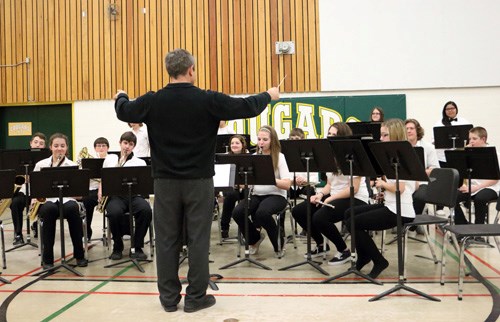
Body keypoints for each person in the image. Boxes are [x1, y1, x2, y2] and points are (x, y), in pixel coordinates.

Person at [113, 48, 279, 313]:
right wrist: (269, 95)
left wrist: (120, 96)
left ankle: (168, 299)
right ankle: (195, 298)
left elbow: (124, 111)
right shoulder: (207, 99)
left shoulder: (153, 101)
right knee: (198, 239)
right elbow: (247, 107)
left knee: (167, 239)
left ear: (169, 71)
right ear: (191, 70)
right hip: (199, 181)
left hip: (165, 183)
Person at [345, 119, 416, 279]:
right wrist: (385, 191)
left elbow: (401, 188)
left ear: (395, 135)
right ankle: (365, 256)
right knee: (349, 213)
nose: (381, 139)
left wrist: (382, 183)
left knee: (352, 222)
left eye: (385, 135)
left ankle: (379, 261)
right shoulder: (391, 155)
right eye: (381, 135)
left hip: (401, 210)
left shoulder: (403, 155)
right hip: (390, 204)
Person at [291, 122, 370, 265]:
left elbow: (354, 188)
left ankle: (344, 250)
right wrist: (320, 195)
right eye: (329, 134)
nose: (331, 137)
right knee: (299, 211)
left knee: (320, 217)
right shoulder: (328, 155)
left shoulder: (354, 155)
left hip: (355, 197)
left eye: (335, 135)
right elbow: (329, 184)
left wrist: (331, 198)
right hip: (336, 195)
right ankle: (321, 245)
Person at [232, 125, 292, 258]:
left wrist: (270, 179)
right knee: (237, 212)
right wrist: (238, 183)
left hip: (277, 196)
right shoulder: (254, 156)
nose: (261, 143)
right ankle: (254, 239)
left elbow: (287, 184)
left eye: (265, 139)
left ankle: (279, 243)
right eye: (259, 139)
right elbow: (248, 183)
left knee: (262, 213)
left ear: (272, 141)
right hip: (256, 195)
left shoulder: (279, 157)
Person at [34, 133, 88, 269]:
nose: (59, 149)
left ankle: (79, 255)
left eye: (62, 146)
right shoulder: (41, 164)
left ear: (67, 148)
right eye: (56, 146)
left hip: (68, 200)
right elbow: (35, 189)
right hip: (49, 201)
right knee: (48, 210)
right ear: (50, 147)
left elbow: (80, 194)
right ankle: (48, 258)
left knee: (72, 208)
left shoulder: (73, 165)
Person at [101, 132, 152, 260]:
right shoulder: (110, 159)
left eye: (130, 144)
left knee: (145, 210)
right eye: (125, 143)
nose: (127, 146)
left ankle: (137, 246)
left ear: (134, 146)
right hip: (116, 196)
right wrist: (100, 191)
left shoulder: (140, 162)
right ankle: (118, 246)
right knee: (113, 212)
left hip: (135, 196)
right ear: (120, 143)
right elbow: (104, 179)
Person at [453, 127, 500, 226]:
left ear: (483, 139)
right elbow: (464, 173)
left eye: (474, 139)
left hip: (490, 187)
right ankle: (463, 226)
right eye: (470, 139)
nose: (471, 142)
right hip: (472, 186)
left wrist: (476, 188)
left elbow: (495, 179)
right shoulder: (470, 153)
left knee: (480, 198)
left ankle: (479, 228)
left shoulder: (494, 154)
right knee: (452, 196)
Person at [10, 132, 46, 244]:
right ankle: (18, 234)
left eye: (41, 143)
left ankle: (36, 225)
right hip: (25, 191)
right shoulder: (20, 158)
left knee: (47, 206)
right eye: (35, 142)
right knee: (15, 203)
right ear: (30, 143)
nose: (38, 145)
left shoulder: (46, 159)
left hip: (40, 191)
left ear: (44, 146)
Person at [405, 119, 440, 215]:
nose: (408, 131)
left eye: (411, 128)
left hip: (422, 181)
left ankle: (412, 225)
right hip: (405, 181)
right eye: (406, 128)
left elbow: (435, 168)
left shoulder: (428, 147)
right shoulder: (401, 146)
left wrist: (420, 172)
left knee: (419, 197)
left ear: (417, 131)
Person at [219, 135, 248, 239]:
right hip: (230, 187)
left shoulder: (249, 156)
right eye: (232, 143)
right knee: (230, 196)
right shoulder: (225, 157)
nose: (234, 145)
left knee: (250, 197)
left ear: (242, 145)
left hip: (245, 187)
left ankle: (250, 228)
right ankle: (224, 227)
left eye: (237, 143)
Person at [81, 137, 109, 240]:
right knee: (87, 201)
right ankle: (86, 232)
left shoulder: (112, 159)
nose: (101, 148)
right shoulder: (89, 160)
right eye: (98, 146)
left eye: (103, 146)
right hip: (93, 189)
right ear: (95, 148)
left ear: (108, 148)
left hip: (108, 190)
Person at [433, 101, 472, 167]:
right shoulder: (439, 124)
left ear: (456, 109)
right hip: (443, 157)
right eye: (448, 109)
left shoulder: (464, 122)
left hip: (460, 156)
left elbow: (470, 137)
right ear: (444, 111)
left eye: (452, 108)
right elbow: (434, 140)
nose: (450, 110)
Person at [288, 127, 318, 199]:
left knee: (310, 190)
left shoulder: (310, 155)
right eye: (292, 139)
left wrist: (305, 180)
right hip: (290, 186)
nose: (294, 142)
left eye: (297, 139)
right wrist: (293, 180)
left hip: (305, 186)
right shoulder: (285, 156)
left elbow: (315, 178)